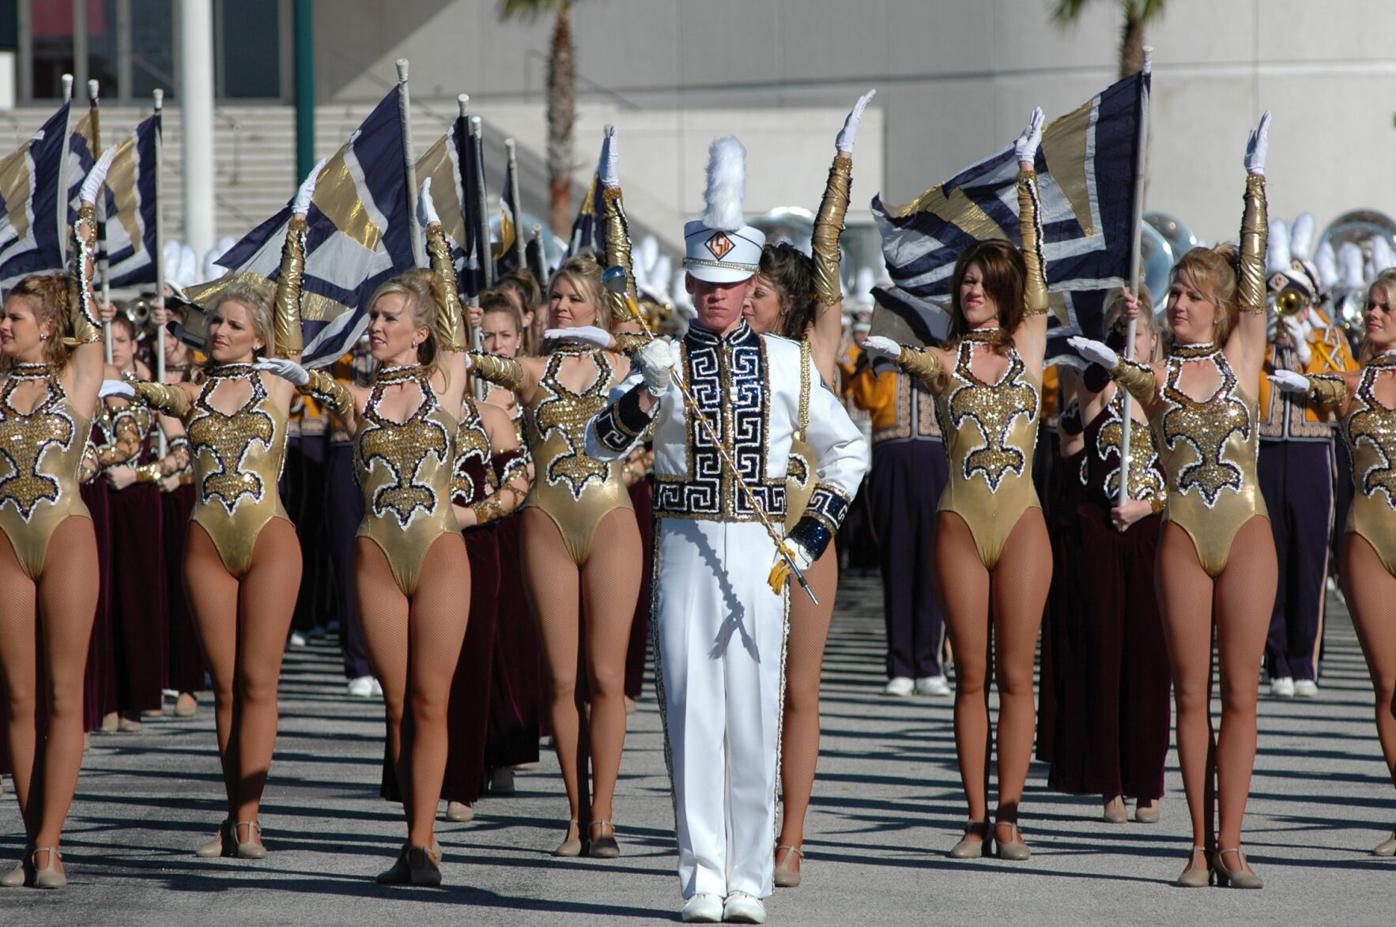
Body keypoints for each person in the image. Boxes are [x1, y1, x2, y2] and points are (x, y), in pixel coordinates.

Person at [583, 135, 867, 924]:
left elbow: (848, 446)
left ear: (750, 287)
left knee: (754, 708)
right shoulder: (662, 358)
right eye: (703, 283)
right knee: (689, 710)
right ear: (691, 283)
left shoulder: (788, 362)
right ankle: (701, 875)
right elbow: (595, 444)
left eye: (728, 283)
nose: (715, 295)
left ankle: (752, 877)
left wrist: (813, 533)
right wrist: (642, 401)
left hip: (761, 546)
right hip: (682, 544)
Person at [1069, 113, 1277, 888]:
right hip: (1184, 537)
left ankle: (1232, 840)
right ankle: (1195, 843)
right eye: (1175, 293)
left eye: (1192, 295)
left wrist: (1254, 187)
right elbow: (1119, 381)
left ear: (1220, 310)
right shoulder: (1154, 381)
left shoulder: (1245, 355)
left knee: (1242, 695)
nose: (1179, 303)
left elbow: (1253, 289)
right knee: (1190, 692)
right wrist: (1109, 358)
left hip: (1248, 530)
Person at [267, 181, 472, 885]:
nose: (375, 327)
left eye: (388, 318)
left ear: (421, 330)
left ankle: (424, 843)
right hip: (378, 553)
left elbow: (452, 312)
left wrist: (437, 232)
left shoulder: (447, 380)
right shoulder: (356, 399)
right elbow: (291, 345)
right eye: (374, 317)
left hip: (440, 548)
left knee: (430, 697)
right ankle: (409, 834)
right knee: (397, 698)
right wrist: (295, 237)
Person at [864, 108, 1052, 861]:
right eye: (965, 280)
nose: (971, 289)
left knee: (1017, 673)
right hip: (960, 524)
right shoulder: (942, 359)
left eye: (982, 280)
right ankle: (976, 819)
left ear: (1005, 290)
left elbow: (1038, 270)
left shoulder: (1031, 344)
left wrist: (1028, 180)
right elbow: (916, 365)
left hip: (1025, 522)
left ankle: (1012, 815)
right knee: (970, 673)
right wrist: (890, 352)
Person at [122, 166, 322, 860]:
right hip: (207, 539)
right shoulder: (190, 392)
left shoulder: (276, 383)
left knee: (260, 679)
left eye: (237, 324)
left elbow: (289, 315)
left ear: (260, 336)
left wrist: (295, 236)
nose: (223, 331)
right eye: (219, 323)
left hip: (268, 537)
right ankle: (233, 812)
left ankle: (250, 818)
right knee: (226, 685)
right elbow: (130, 383)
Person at [740, 90, 876, 887]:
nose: (743, 299)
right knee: (742, 693)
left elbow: (828, 248)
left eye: (757, 291)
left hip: (804, 536)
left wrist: (842, 164)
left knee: (798, 691)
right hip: (737, 531)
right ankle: (747, 823)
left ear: (786, 301)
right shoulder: (727, 355)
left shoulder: (814, 345)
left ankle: (792, 837)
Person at [470, 253, 642, 860]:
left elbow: (670, 370)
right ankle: (574, 813)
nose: (564, 307)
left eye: (576, 298)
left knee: (606, 677)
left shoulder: (626, 366)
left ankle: (604, 817)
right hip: (545, 523)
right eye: (557, 298)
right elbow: (463, 364)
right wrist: (456, 317)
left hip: (612, 521)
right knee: (563, 679)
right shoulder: (529, 370)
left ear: (599, 306)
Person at [0, 158, 110, 889]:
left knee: (65, 692)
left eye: (14, 318)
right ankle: (28, 827)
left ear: (48, 329)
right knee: (16, 696)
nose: (3, 325)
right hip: (6, 541)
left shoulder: (77, 379)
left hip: (65, 534)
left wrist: (85, 244)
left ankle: (48, 842)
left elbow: (95, 327)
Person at [1270, 268, 1396, 856]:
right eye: (1371, 304)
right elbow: (1309, 389)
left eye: (1386, 308)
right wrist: (1294, 328)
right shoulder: (1348, 379)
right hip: (1367, 537)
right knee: (1390, 687)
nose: (1373, 314)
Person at [1065, 292, 1170, 824]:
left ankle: (1148, 781)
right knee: (1105, 657)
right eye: (1125, 335)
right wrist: (1114, 338)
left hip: (1152, 532)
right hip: (1103, 535)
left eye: (1140, 335)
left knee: (1150, 660)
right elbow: (1087, 386)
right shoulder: (1097, 389)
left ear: (1154, 342)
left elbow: (1184, 472)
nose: (1133, 343)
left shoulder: (1165, 393)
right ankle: (1111, 784)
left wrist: (1148, 505)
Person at [1255, 249, 1357, 698]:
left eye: (1294, 295)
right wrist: (1269, 341)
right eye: (1280, 293)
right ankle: (1275, 658)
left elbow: (1342, 392)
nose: (1286, 302)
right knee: (1268, 557)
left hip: (1314, 451)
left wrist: (1304, 349)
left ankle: (1304, 660)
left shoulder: (1330, 336)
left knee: (1310, 558)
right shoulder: (1260, 336)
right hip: (1267, 449)